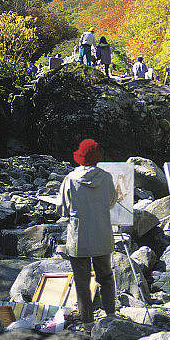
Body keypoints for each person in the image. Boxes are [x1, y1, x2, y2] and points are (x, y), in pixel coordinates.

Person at [56, 138, 117, 326]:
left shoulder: (70, 179)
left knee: (82, 283)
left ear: (80, 158)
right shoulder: (106, 178)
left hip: (79, 237)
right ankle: (110, 316)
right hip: (102, 235)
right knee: (106, 277)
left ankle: (87, 322)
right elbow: (112, 201)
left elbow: (61, 209)